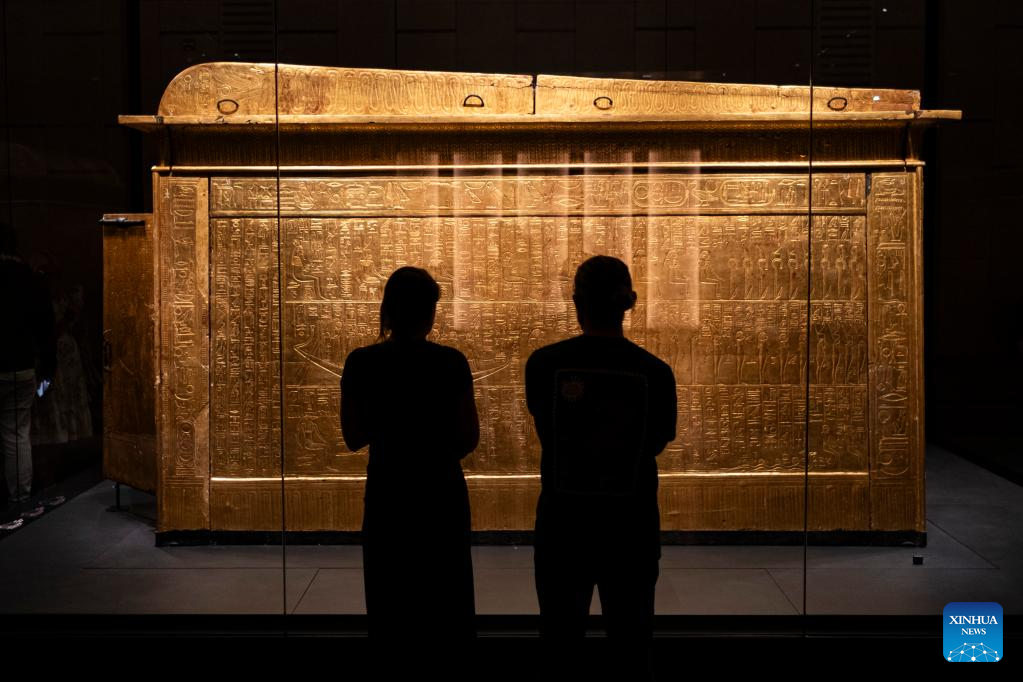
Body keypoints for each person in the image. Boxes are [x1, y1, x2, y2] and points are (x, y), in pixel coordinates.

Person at [525, 255, 677, 677]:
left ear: (577, 302)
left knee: (559, 646)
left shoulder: (544, 364)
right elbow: (656, 442)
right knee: (631, 648)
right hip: (630, 526)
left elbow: (547, 428)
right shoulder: (655, 372)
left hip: (564, 525)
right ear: (628, 303)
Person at [340, 266, 479, 660]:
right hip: (440, 491)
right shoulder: (450, 362)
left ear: (387, 310)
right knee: (446, 607)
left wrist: (392, 421)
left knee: (391, 608)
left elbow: (354, 436)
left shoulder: (362, 362)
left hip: (390, 490)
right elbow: (468, 436)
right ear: (430, 313)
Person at [0, 222, 56, 505]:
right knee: (17, 433)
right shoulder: (31, 280)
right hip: (22, 365)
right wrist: (48, 369)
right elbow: (46, 328)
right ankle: (20, 496)